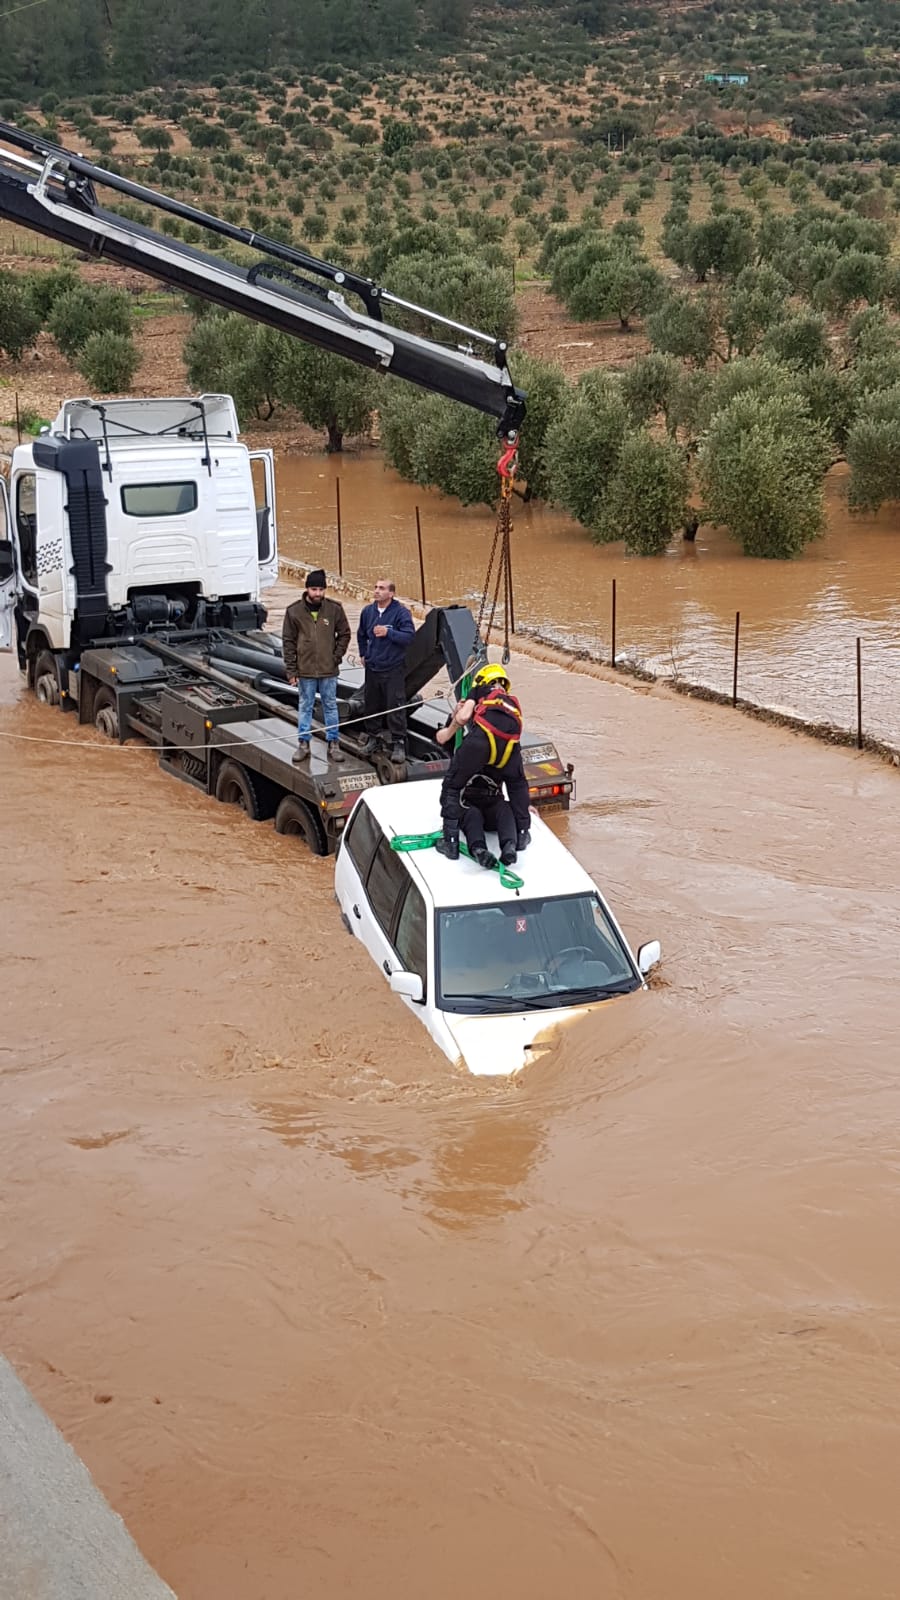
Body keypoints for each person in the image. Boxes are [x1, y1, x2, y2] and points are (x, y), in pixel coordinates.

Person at [435, 663, 531, 861]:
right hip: (507, 751)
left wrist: (453, 722)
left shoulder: (478, 692)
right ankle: (517, 840)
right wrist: (524, 816)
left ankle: (453, 843)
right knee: (513, 793)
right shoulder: (508, 705)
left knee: (454, 790)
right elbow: (518, 786)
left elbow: (455, 726)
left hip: (472, 790)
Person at [282, 568, 351, 764]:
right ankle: (304, 744)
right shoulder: (293, 611)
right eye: (314, 589)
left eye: (321, 589)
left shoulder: (334, 609)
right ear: (307, 589)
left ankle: (333, 743)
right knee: (305, 706)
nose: (318, 593)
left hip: (329, 670)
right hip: (305, 670)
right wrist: (291, 671)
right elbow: (288, 642)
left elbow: (345, 634)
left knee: (330, 706)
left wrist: (336, 657)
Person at [356, 578, 415, 762]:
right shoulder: (368, 612)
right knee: (371, 704)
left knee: (395, 705)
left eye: (381, 588)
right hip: (373, 668)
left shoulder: (401, 613)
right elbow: (361, 635)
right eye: (375, 587)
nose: (376, 591)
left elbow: (409, 636)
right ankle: (373, 738)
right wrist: (364, 654)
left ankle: (399, 744)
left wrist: (389, 632)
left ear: (391, 593)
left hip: (393, 669)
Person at [460, 772, 518, 870]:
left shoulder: (503, 759)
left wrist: (524, 810)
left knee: (504, 807)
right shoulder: (463, 760)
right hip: (468, 806)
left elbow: (517, 784)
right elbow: (449, 790)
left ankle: (509, 846)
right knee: (472, 814)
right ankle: (479, 850)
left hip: (492, 804)